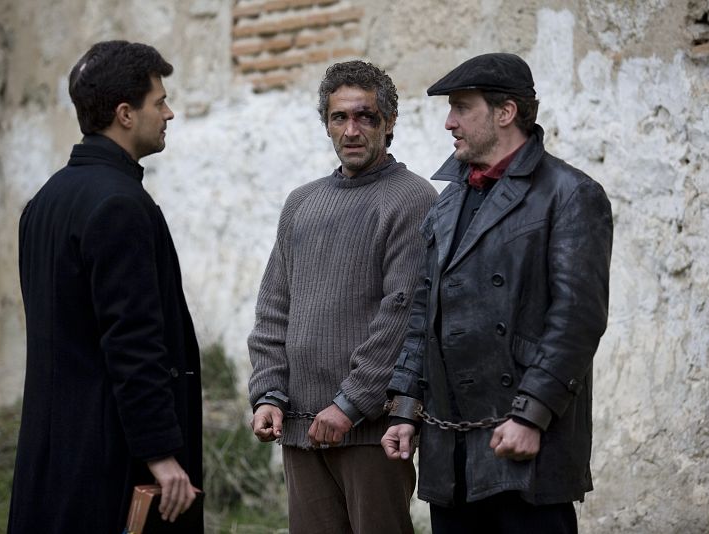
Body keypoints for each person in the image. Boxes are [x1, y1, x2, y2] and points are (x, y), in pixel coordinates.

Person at [381, 53, 613, 533]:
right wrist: (406, 407)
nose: (449, 122)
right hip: (451, 451)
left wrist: (532, 415)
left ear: (505, 112)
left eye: (462, 107)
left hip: (526, 443)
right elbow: (424, 315)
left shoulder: (570, 193)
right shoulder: (448, 201)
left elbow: (577, 320)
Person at [8, 41, 203, 534]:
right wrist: (160, 454)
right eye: (159, 102)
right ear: (125, 114)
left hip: (55, 455)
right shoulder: (119, 204)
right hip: (109, 463)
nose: (169, 113)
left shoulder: (45, 201)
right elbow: (131, 342)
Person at [248, 60, 438, 533]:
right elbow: (273, 308)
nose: (352, 130)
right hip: (299, 428)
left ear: (389, 122)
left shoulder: (412, 198)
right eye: (340, 117)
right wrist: (268, 393)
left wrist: (351, 405)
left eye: (365, 116)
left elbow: (402, 315)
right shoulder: (301, 202)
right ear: (327, 124)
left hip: (371, 434)